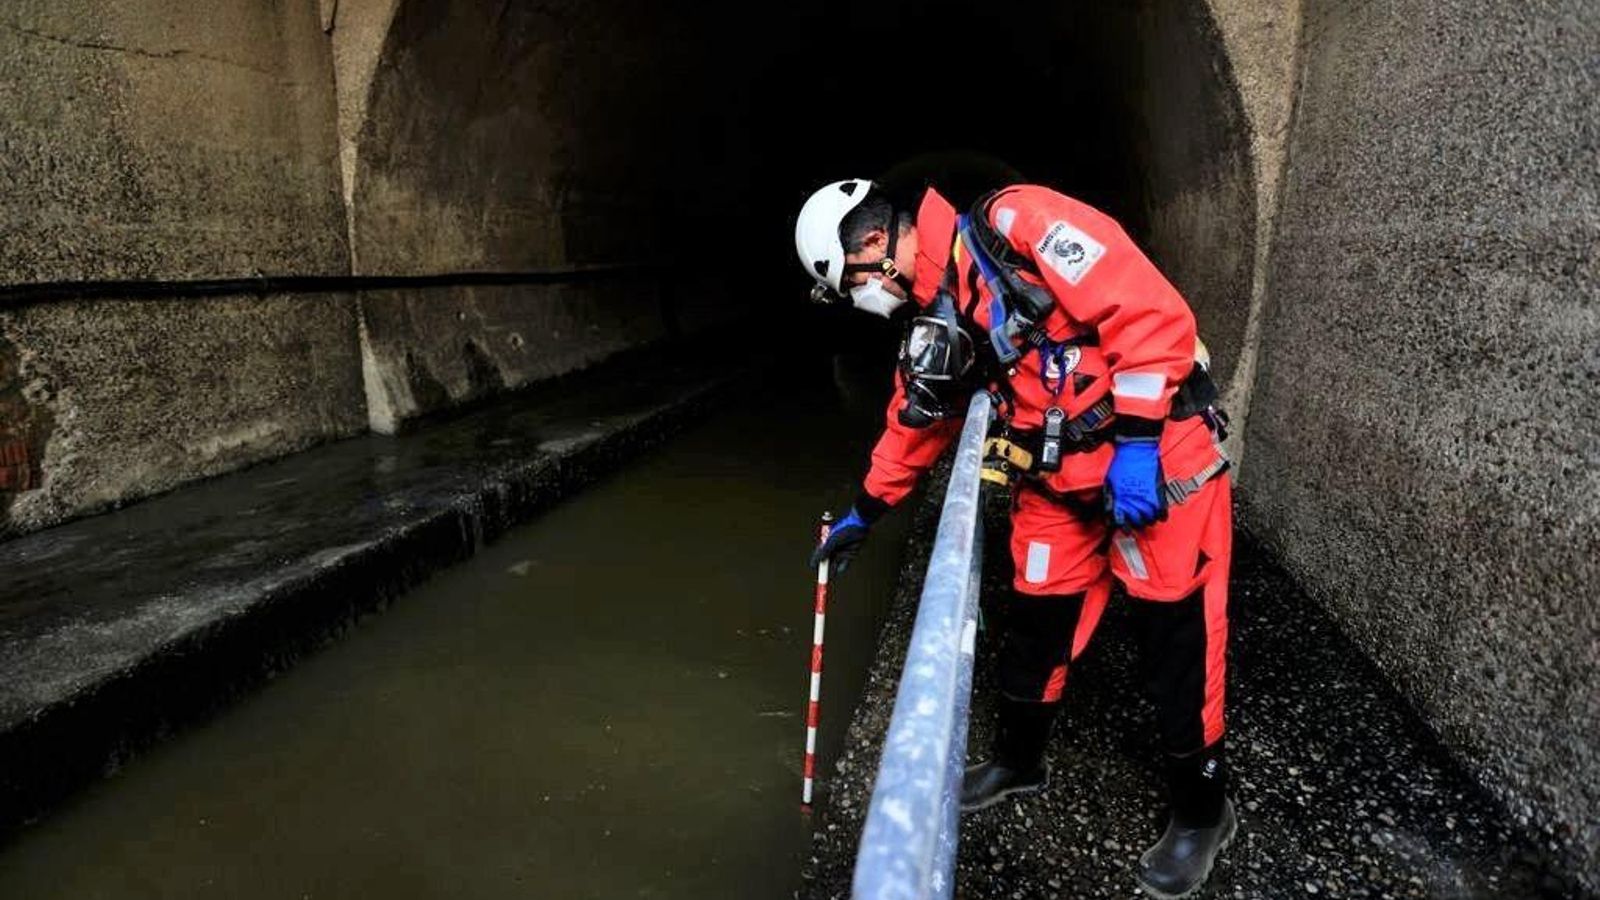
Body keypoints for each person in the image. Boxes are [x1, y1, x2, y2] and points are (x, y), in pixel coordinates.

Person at [797, 178, 1236, 898]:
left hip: (1155, 468)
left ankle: (1202, 812)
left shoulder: (1017, 224)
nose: (864, 304)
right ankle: (1019, 760)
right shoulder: (941, 315)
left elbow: (1149, 313)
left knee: (1175, 637)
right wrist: (864, 513)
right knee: (1034, 619)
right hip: (1059, 485)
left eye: (853, 287)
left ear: (874, 244)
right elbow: (917, 420)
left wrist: (1133, 443)